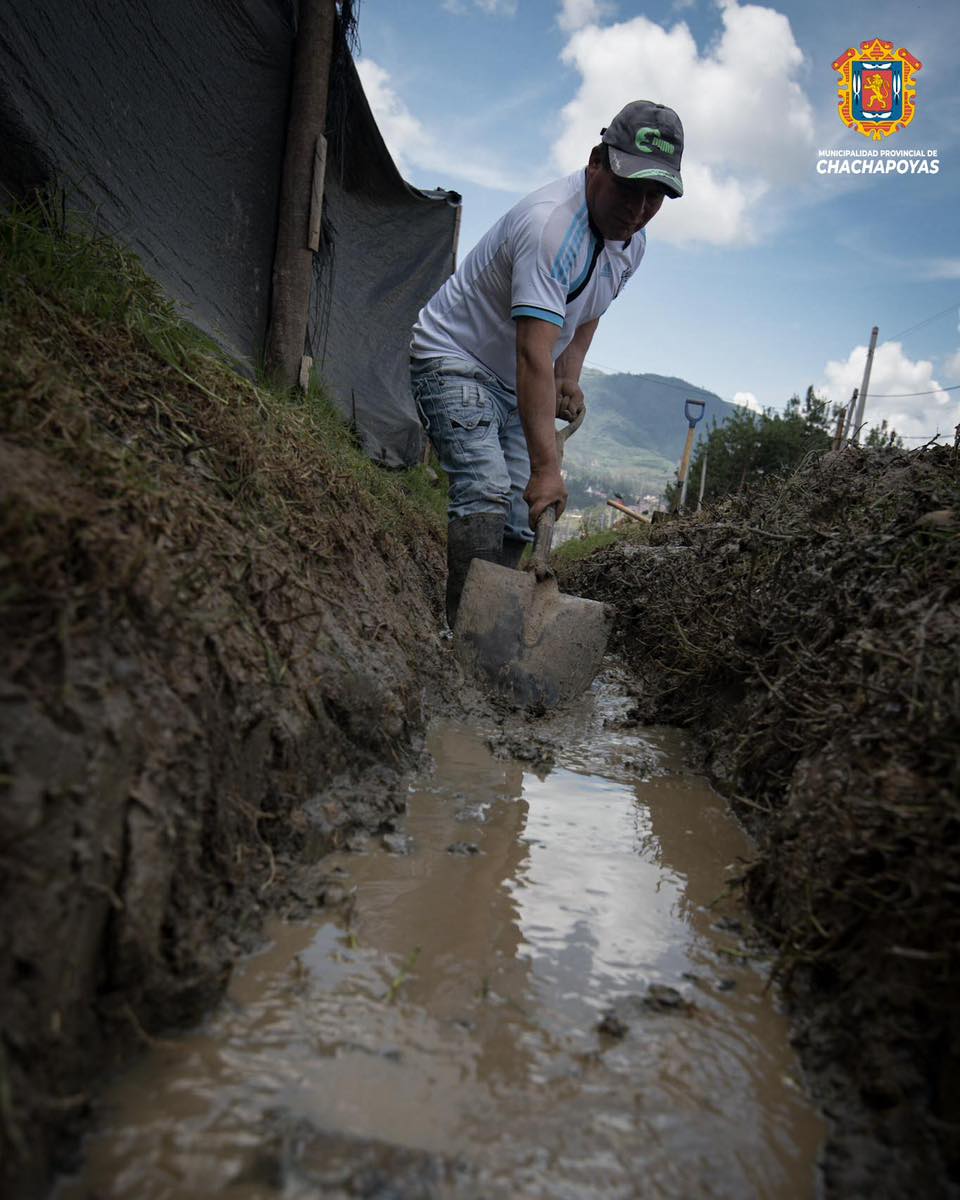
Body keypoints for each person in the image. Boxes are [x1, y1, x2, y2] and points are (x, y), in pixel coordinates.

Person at [410, 100, 684, 627]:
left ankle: (500, 629)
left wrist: (571, 372)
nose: (639, 207)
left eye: (655, 195)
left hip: (517, 379)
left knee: (520, 512)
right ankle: (463, 637)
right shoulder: (551, 226)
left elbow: (587, 312)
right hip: (455, 358)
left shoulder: (632, 243)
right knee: (489, 488)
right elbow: (532, 351)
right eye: (630, 187)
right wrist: (546, 468)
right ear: (596, 162)